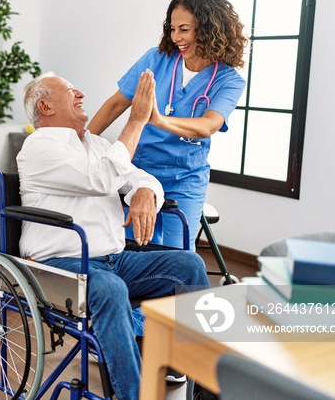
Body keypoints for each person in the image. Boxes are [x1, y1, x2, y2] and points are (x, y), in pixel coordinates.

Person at [18, 72, 210, 400]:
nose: (80, 91)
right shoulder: (38, 146)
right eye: (68, 89)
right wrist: (136, 120)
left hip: (114, 261)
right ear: (46, 106)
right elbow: (102, 180)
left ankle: (209, 387)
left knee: (189, 265)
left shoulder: (96, 144)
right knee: (109, 289)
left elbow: (140, 177)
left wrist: (144, 193)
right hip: (60, 265)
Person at [88, 0, 248, 250]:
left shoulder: (229, 80)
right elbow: (116, 104)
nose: (176, 37)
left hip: (185, 177)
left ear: (209, 29)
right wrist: (82, 140)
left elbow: (209, 125)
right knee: (133, 250)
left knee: (179, 257)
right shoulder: (157, 58)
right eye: (172, 29)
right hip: (140, 171)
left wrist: (157, 119)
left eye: (184, 30)